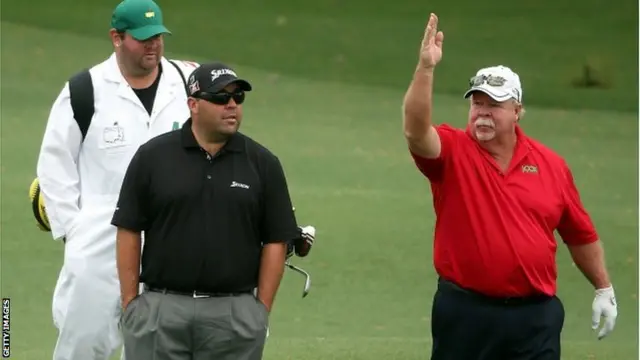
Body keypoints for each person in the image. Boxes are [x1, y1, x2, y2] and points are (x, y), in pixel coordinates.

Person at [402, 13, 619, 360]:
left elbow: (579, 234)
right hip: (466, 314)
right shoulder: (453, 151)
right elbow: (415, 131)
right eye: (477, 103)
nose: (482, 113)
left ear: (517, 111)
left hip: (534, 318)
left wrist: (603, 288)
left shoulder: (551, 165)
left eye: (494, 105)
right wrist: (426, 69)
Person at [34, 0, 199, 359]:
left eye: (158, 36)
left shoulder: (187, 81)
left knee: (156, 345)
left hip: (168, 237)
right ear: (116, 38)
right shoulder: (85, 90)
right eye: (142, 38)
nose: (153, 44)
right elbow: (54, 164)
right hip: (99, 237)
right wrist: (73, 229)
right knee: (85, 341)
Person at [111, 61, 300, 360]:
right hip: (161, 311)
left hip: (234, 314)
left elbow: (276, 240)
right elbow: (129, 229)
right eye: (221, 98)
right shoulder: (153, 157)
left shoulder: (263, 163)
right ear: (193, 104)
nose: (232, 106)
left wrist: (259, 311)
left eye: (238, 98)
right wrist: (132, 305)